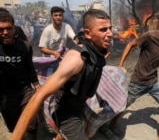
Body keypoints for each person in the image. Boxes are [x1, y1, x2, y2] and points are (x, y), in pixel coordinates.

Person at [10, 9, 113, 140]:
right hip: (65, 114)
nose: (110, 33)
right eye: (103, 30)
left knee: (63, 136)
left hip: (78, 107)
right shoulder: (76, 60)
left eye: (110, 28)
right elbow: (38, 96)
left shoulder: (99, 48)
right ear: (88, 33)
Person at [105, 12, 159, 140]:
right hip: (139, 81)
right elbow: (130, 44)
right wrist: (120, 65)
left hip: (153, 82)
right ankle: (111, 124)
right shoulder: (150, 36)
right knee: (122, 106)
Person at [0, 11, 41, 139]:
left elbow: (29, 68)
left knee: (31, 124)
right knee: (14, 127)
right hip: (5, 96)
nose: (5, 33)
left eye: (9, 28)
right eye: (1, 29)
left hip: (24, 91)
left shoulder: (25, 47)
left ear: (14, 29)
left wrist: (38, 86)